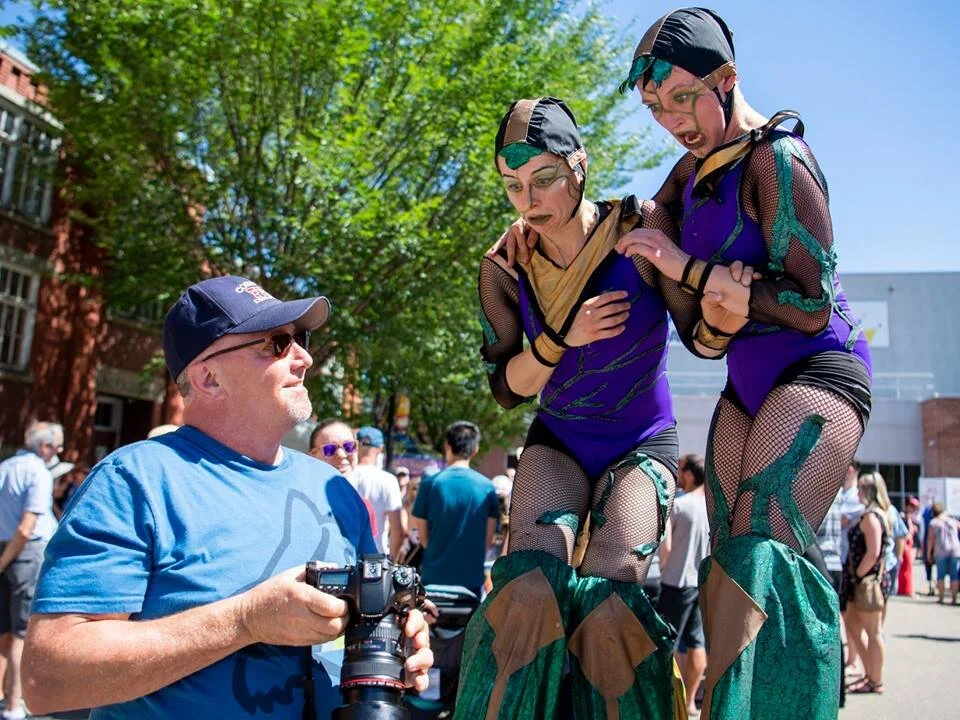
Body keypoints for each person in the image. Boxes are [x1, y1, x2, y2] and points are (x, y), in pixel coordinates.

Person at [609, 8, 873, 719]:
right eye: (656, 106)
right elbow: (697, 330)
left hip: (821, 369)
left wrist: (692, 271)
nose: (671, 119)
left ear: (726, 81)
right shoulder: (687, 174)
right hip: (746, 383)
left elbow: (811, 304)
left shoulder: (777, 159)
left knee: (765, 551)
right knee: (729, 570)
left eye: (683, 97)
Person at [21, 275, 432, 719]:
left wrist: (397, 637)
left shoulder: (335, 489)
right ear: (208, 378)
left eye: (302, 339)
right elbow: (49, 678)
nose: (304, 358)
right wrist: (245, 621)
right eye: (277, 343)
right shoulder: (133, 480)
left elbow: (367, 620)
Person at [457, 97, 685, 720]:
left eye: (544, 178)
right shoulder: (505, 265)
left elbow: (703, 327)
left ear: (580, 166)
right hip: (559, 437)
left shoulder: (640, 228)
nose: (528, 199)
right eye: (512, 185)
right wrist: (561, 338)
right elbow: (506, 388)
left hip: (642, 440)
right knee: (527, 592)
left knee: (612, 599)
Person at [0, 421, 62, 720]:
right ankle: (14, 704)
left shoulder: (7, 465)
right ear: (45, 447)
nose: (59, 451)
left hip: (5, 549)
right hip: (25, 553)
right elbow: (27, 526)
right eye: (57, 445)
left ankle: (6, 696)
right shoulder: (37, 471)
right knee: (22, 632)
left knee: (6, 632)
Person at [411, 421, 498, 598]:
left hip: (433, 579)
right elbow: (489, 541)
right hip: (470, 580)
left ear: (447, 446)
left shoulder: (430, 484)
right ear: (475, 450)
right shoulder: (488, 487)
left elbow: (423, 537)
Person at [657, 454, 710, 718]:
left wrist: (664, 566)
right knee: (696, 641)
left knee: (669, 644)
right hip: (700, 582)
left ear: (688, 475)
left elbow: (664, 547)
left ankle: (672, 701)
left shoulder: (679, 505)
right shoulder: (710, 506)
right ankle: (690, 702)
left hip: (677, 581)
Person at [840, 474, 889, 695]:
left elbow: (873, 552)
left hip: (865, 583)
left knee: (872, 631)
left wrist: (858, 575)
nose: (857, 493)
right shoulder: (879, 514)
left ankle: (875, 679)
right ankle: (871, 674)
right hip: (865, 581)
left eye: (860, 489)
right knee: (854, 626)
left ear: (869, 491)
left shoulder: (870, 516)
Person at [310, 420, 379, 538]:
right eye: (330, 449)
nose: (342, 455)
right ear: (312, 456)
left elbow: (366, 553)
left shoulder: (362, 507)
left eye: (349, 446)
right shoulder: (297, 500)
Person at [350, 427, 404, 560]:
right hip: (376, 558)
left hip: (345, 555)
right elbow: (397, 530)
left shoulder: (343, 475)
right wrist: (393, 562)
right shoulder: (388, 480)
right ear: (380, 448)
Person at [926, 502, 960, 605]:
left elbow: (931, 539)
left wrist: (928, 554)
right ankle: (954, 598)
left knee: (940, 575)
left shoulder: (934, 523)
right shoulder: (953, 521)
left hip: (941, 550)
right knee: (955, 575)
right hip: (955, 550)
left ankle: (941, 598)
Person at [897, 497, 920, 597]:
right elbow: (902, 532)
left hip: (909, 545)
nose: (914, 509)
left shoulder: (909, 517)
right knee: (905, 568)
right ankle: (906, 590)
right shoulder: (902, 516)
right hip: (905, 545)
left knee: (908, 568)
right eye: (912, 507)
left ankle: (906, 589)